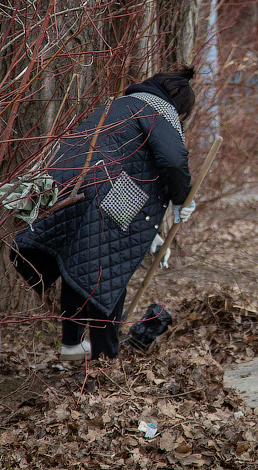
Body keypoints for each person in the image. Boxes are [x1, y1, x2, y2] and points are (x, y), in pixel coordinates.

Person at [11, 68, 196, 361]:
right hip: (106, 195)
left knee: (80, 260)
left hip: (69, 188)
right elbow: (173, 160)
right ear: (179, 108)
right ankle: (105, 356)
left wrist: (152, 235)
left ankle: (72, 343)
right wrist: (182, 200)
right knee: (109, 270)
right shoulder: (160, 112)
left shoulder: (117, 105)